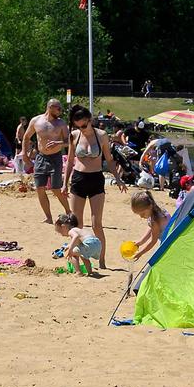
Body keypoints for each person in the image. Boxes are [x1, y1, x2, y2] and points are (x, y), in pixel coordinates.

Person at [63, 104, 125, 270]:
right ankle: (80, 259)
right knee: (77, 224)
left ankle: (102, 260)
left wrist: (118, 178)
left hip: (96, 179)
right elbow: (69, 161)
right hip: (78, 178)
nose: (81, 129)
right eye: (78, 126)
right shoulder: (74, 135)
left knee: (97, 223)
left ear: (90, 120)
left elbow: (109, 160)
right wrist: (64, 184)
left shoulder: (102, 135)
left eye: (84, 125)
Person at [22, 99, 73, 224]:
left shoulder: (61, 123)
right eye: (59, 109)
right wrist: (24, 153)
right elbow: (26, 137)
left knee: (56, 189)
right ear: (50, 107)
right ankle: (48, 217)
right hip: (41, 157)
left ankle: (69, 212)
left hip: (55, 157)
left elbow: (70, 141)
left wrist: (58, 142)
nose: (60, 111)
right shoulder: (36, 121)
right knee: (40, 187)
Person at [130, 190, 169, 262]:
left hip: (169, 244)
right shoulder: (158, 211)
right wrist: (140, 242)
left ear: (150, 206)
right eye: (139, 214)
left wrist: (140, 253)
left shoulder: (156, 220)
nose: (141, 216)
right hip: (168, 241)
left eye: (143, 213)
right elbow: (150, 229)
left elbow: (153, 241)